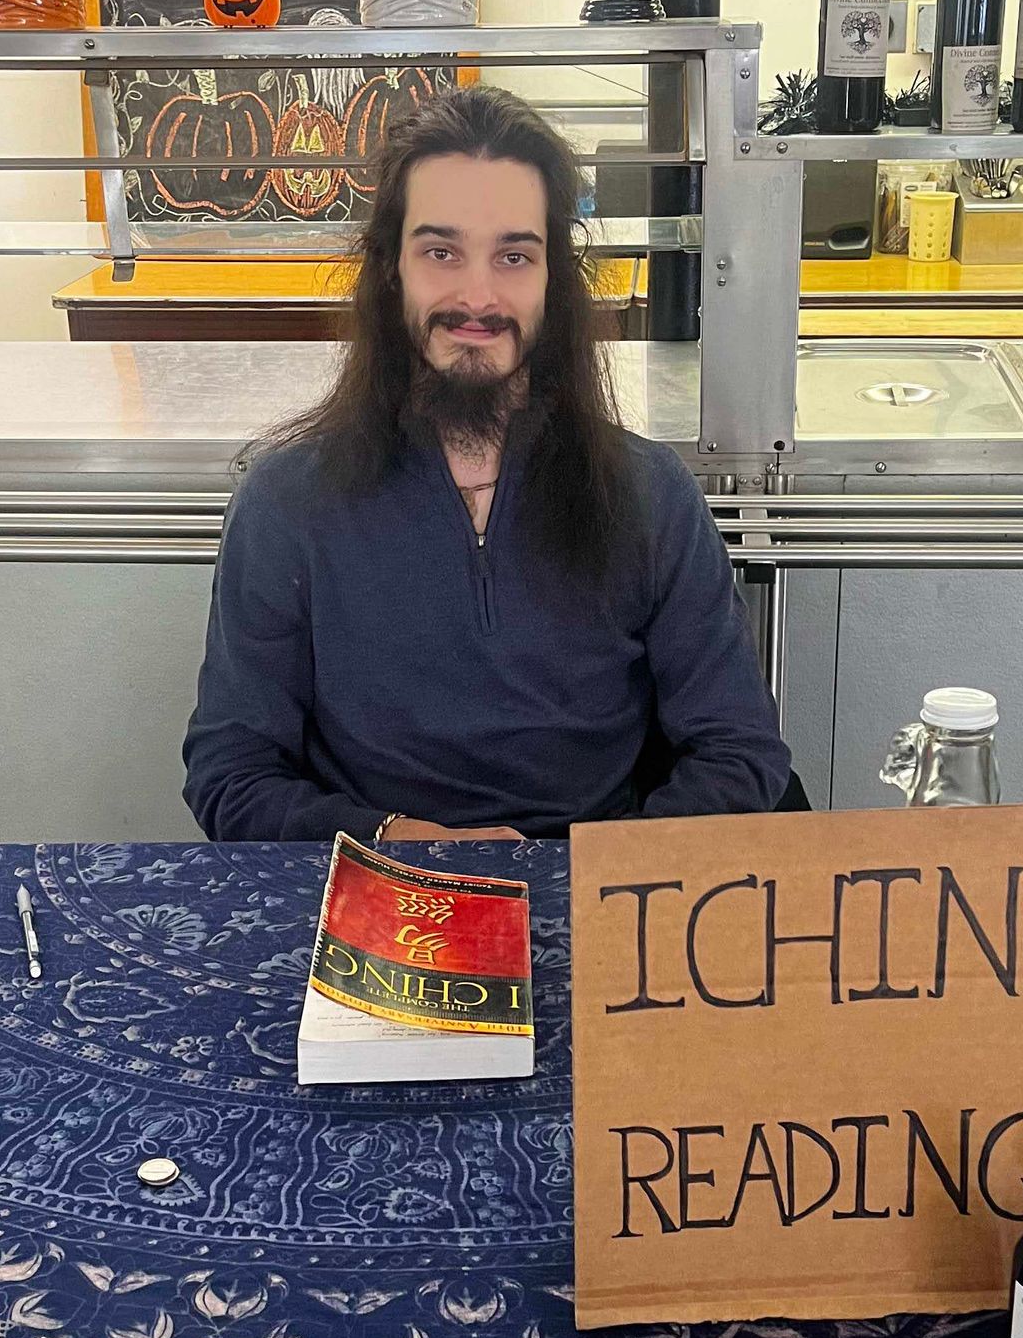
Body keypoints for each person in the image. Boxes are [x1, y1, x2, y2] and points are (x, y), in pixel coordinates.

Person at [183, 84, 793, 844]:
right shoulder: (285, 505)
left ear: (554, 282)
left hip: (593, 897)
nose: (478, 296)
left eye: (513, 256)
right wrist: (396, 839)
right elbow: (231, 775)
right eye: (441, 252)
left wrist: (580, 868)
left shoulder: (650, 496)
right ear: (389, 269)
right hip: (374, 897)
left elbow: (742, 754)